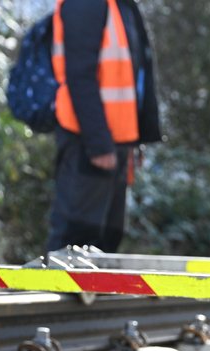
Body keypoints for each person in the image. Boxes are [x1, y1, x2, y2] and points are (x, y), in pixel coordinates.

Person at [46, 0, 161, 254]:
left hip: (115, 143)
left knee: (107, 239)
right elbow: (80, 76)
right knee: (74, 242)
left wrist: (135, 140)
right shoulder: (86, 4)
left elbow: (132, 77)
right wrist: (99, 145)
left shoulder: (122, 6)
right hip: (88, 143)